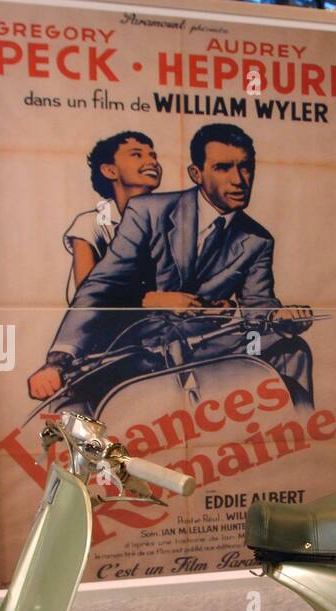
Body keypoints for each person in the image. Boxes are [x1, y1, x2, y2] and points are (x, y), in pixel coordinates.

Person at [28, 123, 315, 409]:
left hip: (210, 346)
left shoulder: (258, 239)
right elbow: (101, 287)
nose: (239, 179)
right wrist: (58, 359)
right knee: (72, 398)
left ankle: (301, 440)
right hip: (139, 348)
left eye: (246, 167)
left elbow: (257, 308)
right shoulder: (148, 211)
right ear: (196, 174)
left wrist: (281, 318)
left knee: (291, 350)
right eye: (224, 168)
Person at [63, 131, 162, 303]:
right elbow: (85, 297)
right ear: (110, 170)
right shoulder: (91, 223)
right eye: (137, 155)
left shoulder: (173, 217)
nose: (152, 162)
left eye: (153, 156)